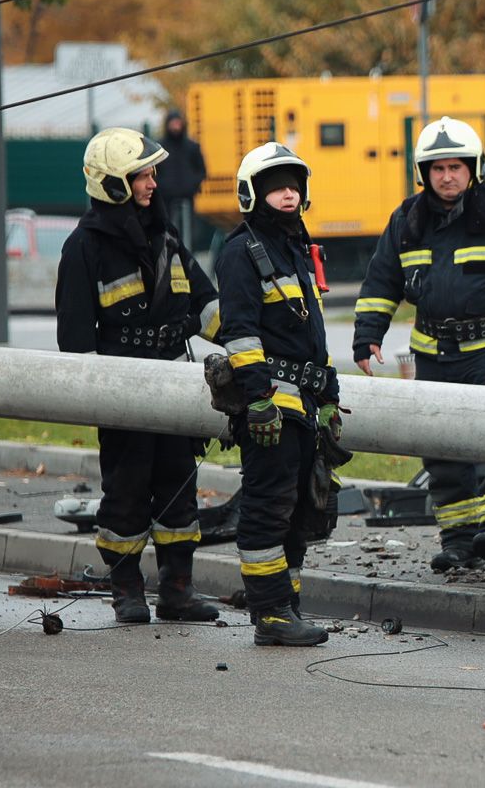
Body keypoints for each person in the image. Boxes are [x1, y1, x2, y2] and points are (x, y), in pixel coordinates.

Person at [353, 116, 485, 574]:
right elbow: (381, 280)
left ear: (474, 169)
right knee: (442, 450)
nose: (448, 176)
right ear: (423, 173)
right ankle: (460, 540)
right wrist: (367, 335)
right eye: (438, 168)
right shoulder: (406, 220)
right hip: (432, 353)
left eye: (457, 167)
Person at [56, 127, 221, 624]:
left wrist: (256, 343)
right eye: (142, 174)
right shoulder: (83, 248)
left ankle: (177, 591)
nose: (153, 183)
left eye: (151, 172)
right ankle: (127, 591)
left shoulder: (166, 236)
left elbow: (207, 304)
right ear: (114, 184)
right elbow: (76, 344)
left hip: (173, 387)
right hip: (122, 393)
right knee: (126, 492)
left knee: (178, 487)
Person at [216, 142, 340, 646]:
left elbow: (313, 335)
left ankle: (287, 605)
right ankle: (269, 613)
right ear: (254, 193)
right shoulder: (240, 252)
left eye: (293, 185)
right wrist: (258, 398)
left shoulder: (296, 248)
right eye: (275, 186)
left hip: (306, 403)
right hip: (271, 403)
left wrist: (329, 395)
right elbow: (240, 333)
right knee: (268, 507)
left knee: (298, 511)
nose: (287, 194)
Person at [156, 109, 207, 249]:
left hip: (187, 197)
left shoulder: (192, 146)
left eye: (178, 123)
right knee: (167, 230)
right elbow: (154, 172)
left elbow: (202, 170)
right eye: (173, 123)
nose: (175, 127)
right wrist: (162, 186)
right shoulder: (160, 147)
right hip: (166, 199)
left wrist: (193, 185)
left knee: (190, 231)